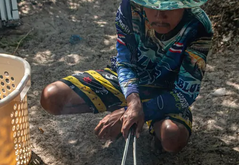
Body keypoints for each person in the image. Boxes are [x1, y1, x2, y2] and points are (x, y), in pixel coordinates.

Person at [40, 0, 213, 153]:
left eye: (171, 6)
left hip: (166, 92)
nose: (160, 15)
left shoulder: (198, 26)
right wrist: (132, 102)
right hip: (126, 82)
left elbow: (185, 93)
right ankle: (131, 114)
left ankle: (141, 120)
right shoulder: (130, 7)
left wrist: (127, 113)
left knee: (172, 137)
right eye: (152, 5)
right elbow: (125, 62)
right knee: (51, 97)